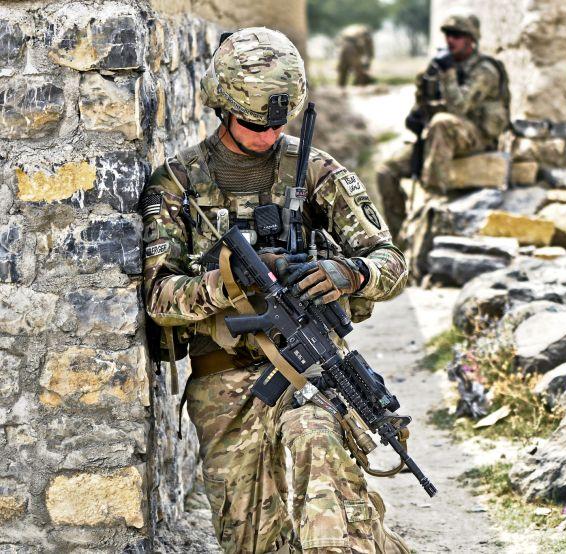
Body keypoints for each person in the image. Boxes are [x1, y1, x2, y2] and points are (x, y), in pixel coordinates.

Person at [141, 27, 410, 553]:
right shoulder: (178, 185)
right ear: (222, 105)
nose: (268, 134)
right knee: (255, 544)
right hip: (224, 385)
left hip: (311, 367)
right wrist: (230, 281)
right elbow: (159, 298)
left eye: (278, 122)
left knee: (330, 495)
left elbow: (391, 260)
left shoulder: (312, 170)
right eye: (253, 123)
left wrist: (350, 275)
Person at [377, 14, 510, 245]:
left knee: (442, 122)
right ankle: (399, 240)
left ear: (471, 40)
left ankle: (432, 197)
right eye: (447, 34)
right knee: (385, 172)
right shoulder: (439, 66)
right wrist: (417, 114)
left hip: (474, 137)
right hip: (439, 138)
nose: (450, 40)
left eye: (457, 35)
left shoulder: (485, 70)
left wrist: (447, 74)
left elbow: (458, 107)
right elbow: (424, 105)